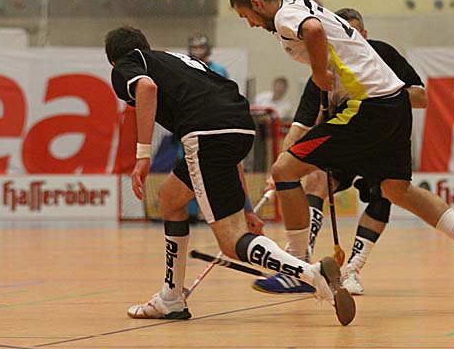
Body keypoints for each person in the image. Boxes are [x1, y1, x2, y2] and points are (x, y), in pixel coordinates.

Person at [230, 0, 454, 304]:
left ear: (256, 3)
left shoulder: (286, 16)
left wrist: (319, 72)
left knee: (284, 171)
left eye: (246, 16)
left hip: (367, 106)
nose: (251, 24)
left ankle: (295, 269)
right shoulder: (299, 4)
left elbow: (313, 31)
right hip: (394, 103)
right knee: (396, 189)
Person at [105, 25, 355, 324]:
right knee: (170, 198)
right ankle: (171, 298)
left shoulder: (127, 65)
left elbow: (146, 88)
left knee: (232, 242)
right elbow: (226, 153)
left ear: (113, 61)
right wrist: (245, 207)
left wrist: (143, 156)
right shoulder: (173, 61)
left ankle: (310, 273)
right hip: (239, 127)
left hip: (206, 134)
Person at [253, 7, 428, 296]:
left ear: (364, 36)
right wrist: (280, 168)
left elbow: (421, 97)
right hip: (345, 141)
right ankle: (302, 262)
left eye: (356, 35)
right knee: (316, 180)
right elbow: (300, 125)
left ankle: (353, 270)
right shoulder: (325, 67)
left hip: (378, 134)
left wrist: (381, 94)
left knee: (384, 192)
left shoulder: (384, 54)